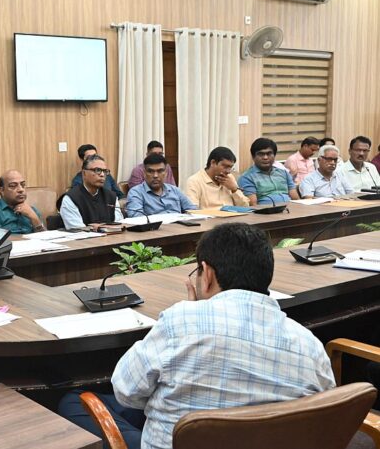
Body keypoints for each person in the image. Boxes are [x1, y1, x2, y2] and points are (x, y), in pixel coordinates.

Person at [58, 223, 335, 449]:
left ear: (208, 274)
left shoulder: (181, 321)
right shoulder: (309, 345)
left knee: (74, 401)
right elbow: (324, 410)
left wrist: (190, 316)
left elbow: (126, 391)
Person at [60, 154, 123, 229]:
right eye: (97, 170)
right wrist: (101, 228)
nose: (102, 174)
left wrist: (99, 227)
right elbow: (78, 230)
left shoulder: (111, 196)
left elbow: (119, 225)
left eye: (105, 171)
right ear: (84, 173)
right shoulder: (71, 198)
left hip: (113, 236)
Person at [126, 153, 196, 216]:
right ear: (144, 173)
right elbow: (136, 217)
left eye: (160, 171)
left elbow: (193, 211)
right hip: (154, 226)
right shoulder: (136, 192)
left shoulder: (175, 190)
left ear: (166, 173)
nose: (155, 175)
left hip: (180, 225)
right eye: (151, 171)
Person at [0, 170, 45, 234]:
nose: (21, 189)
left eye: (23, 185)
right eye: (13, 186)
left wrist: (34, 218)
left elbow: (44, 239)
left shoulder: (32, 210)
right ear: (2, 190)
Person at [238, 137, 299, 205]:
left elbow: (295, 198)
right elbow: (253, 205)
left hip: (291, 209)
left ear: (274, 155)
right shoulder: (247, 178)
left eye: (269, 154)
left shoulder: (284, 173)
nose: (265, 157)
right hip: (267, 211)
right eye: (261, 154)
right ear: (253, 157)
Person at [184, 146, 249, 208]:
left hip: (234, 215)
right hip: (209, 215)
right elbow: (192, 210)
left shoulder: (230, 178)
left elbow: (245, 206)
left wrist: (234, 189)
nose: (228, 171)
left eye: (230, 167)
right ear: (213, 162)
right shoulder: (194, 181)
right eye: (225, 166)